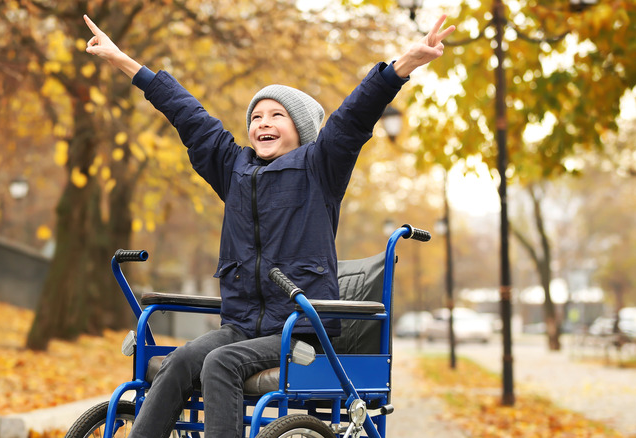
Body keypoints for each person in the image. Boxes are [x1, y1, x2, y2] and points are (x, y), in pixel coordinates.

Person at [83, 13, 455, 438]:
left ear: (300, 130)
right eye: (256, 117)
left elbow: (354, 116)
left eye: (276, 115)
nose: (262, 123)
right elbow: (186, 113)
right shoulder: (233, 168)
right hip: (241, 325)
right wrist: (124, 62)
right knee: (182, 360)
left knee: (219, 363)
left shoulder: (321, 167)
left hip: (302, 328)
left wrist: (401, 66)